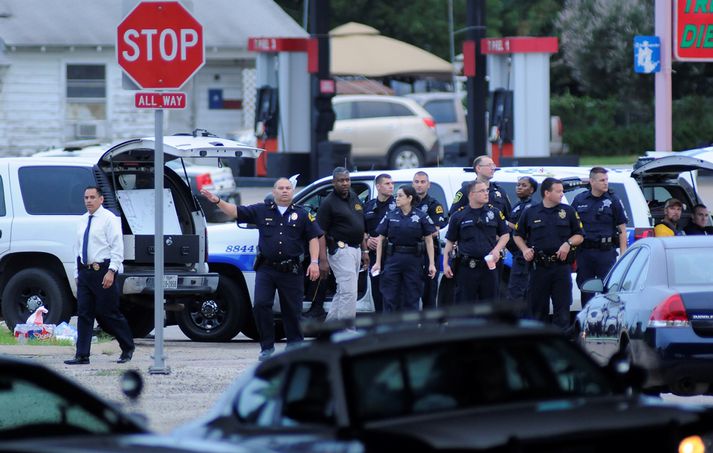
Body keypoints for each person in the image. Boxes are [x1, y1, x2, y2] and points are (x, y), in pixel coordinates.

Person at [201, 178, 321, 361]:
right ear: (274, 192)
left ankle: (295, 346)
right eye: (280, 188)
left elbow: (314, 237)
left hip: (292, 270)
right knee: (261, 305)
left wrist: (314, 262)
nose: (284, 191)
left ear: (292, 192)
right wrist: (217, 201)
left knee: (292, 310)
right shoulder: (261, 210)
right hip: (267, 269)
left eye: (288, 188)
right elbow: (235, 212)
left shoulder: (302, 214)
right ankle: (267, 347)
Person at [65, 186, 134, 365]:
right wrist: (76, 273)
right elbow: (77, 248)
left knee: (108, 312)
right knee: (84, 313)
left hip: (102, 270)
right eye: (86, 197)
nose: (88, 200)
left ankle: (127, 347)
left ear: (101, 199)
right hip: (85, 271)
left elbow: (117, 247)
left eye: (92, 197)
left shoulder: (109, 219)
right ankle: (82, 355)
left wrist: (112, 271)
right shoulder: (82, 220)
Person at [514, 178, 583, 330]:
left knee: (563, 310)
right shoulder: (530, 212)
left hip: (561, 267)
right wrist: (525, 249)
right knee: (538, 311)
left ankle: (562, 346)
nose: (561, 194)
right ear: (547, 193)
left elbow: (579, 235)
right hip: (539, 268)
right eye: (558, 191)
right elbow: (517, 235)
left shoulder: (568, 211)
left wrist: (568, 243)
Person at [443, 181, 509, 305]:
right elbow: (450, 241)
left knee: (490, 305)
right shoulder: (459, 216)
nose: (486, 193)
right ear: (472, 194)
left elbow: (505, 235)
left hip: (489, 267)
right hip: (467, 268)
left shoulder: (494, 213)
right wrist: (446, 264)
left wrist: (496, 249)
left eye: (487, 190)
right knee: (464, 305)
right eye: (482, 191)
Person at [372, 186, 436, 312]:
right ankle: (389, 327)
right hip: (393, 258)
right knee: (390, 294)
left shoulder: (421, 216)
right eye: (396, 195)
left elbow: (429, 241)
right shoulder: (390, 215)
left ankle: (409, 328)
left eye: (400, 195)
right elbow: (380, 240)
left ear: (409, 198)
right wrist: (378, 263)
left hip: (414, 259)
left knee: (412, 295)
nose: (397, 198)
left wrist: (432, 264)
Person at [317, 168, 369, 322]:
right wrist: (322, 260)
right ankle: (346, 332)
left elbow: (360, 225)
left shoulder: (354, 197)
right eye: (341, 180)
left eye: (347, 180)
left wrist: (365, 250)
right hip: (340, 250)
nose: (345, 183)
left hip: (356, 250)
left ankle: (329, 331)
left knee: (343, 292)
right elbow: (320, 233)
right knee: (349, 293)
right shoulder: (328, 203)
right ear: (334, 182)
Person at [571, 167, 628, 306]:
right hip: (585, 253)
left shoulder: (613, 200)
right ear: (592, 181)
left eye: (606, 180)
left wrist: (623, 255)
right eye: (602, 180)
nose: (605, 183)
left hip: (606, 253)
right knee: (586, 290)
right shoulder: (579, 199)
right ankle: (586, 324)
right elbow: (572, 225)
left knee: (608, 291)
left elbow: (622, 229)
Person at [412, 171, 447, 310]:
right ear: (412, 183)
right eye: (416, 182)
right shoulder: (406, 202)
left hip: (429, 253)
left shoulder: (434, 204)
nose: (419, 185)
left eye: (423, 182)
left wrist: (408, 231)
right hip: (410, 253)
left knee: (429, 292)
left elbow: (434, 231)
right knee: (411, 291)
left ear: (429, 185)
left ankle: (429, 327)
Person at [363, 173, 395, 314]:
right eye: (387, 183)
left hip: (392, 254)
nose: (391, 186)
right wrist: (367, 240)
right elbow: (361, 229)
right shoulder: (368, 206)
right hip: (374, 256)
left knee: (392, 291)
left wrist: (384, 241)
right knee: (377, 290)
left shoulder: (398, 205)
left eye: (391, 183)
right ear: (378, 186)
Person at [506, 176, 537, 307]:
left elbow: (523, 229)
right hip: (516, 254)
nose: (519, 187)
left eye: (524, 185)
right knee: (514, 291)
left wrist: (506, 223)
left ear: (532, 190)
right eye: (518, 185)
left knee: (521, 291)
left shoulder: (532, 206)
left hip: (526, 254)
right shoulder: (518, 205)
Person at [449, 156, 511, 220]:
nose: (493, 168)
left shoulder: (499, 191)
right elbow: (453, 217)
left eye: (493, 165)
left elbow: (509, 217)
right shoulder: (466, 191)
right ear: (478, 168)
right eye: (489, 165)